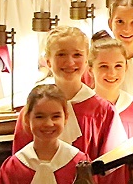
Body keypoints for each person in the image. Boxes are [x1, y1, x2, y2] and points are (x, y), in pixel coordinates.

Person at [11, 26, 117, 162]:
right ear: (48, 61)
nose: (70, 62)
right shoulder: (32, 110)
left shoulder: (103, 111)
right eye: (61, 54)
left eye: (77, 55)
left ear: (86, 60)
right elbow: (20, 164)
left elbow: (112, 169)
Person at [89, 37, 133, 150]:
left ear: (126, 67)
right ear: (90, 70)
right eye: (103, 66)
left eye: (118, 66)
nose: (112, 73)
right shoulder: (83, 109)